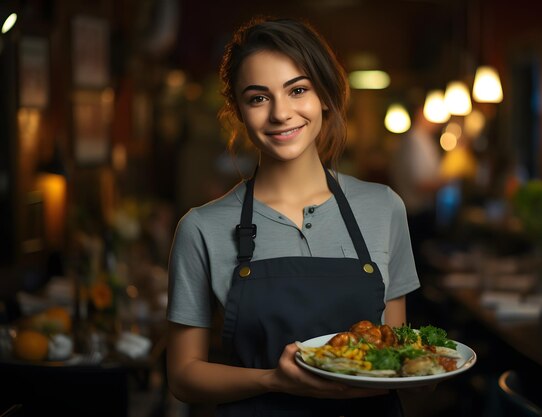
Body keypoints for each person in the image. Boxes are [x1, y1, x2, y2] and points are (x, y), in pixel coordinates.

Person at [166, 16, 420, 416]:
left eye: (297, 90)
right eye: (258, 97)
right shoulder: (202, 228)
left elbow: (394, 349)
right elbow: (183, 376)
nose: (281, 113)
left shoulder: (384, 208)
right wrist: (272, 379)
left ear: (324, 95)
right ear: (239, 111)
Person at [389, 105, 446, 269]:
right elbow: (420, 183)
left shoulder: (420, 140)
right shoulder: (414, 141)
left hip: (415, 214)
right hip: (414, 215)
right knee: (418, 268)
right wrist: (448, 180)